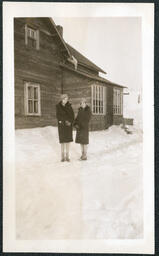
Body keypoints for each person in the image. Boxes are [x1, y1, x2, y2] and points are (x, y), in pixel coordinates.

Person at [56, 94, 74, 162]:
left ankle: (67, 156)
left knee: (67, 141)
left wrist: (70, 122)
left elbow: (72, 116)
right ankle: (62, 157)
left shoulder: (69, 106)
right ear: (62, 99)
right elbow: (58, 116)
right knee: (62, 141)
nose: (66, 100)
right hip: (62, 126)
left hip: (68, 126)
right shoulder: (58, 106)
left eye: (67, 99)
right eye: (64, 99)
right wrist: (62, 121)